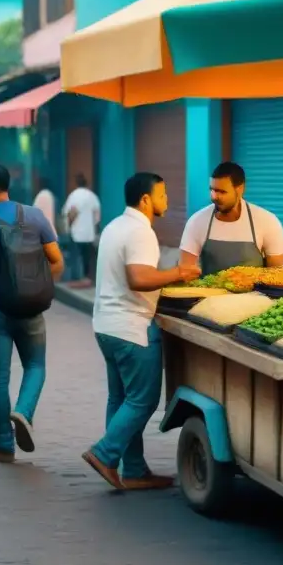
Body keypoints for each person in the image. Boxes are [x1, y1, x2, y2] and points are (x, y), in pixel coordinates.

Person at [83, 172, 201, 490]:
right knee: (142, 401)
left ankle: (134, 470)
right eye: (163, 195)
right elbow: (139, 278)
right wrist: (179, 272)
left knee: (120, 399)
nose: (167, 201)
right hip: (130, 327)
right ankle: (105, 454)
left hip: (106, 325)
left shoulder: (114, 226)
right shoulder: (140, 232)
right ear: (146, 199)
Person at [0, 163, 63, 463]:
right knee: (35, 366)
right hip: (32, 310)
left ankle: (5, 446)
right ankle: (24, 411)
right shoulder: (34, 215)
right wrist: (38, 289)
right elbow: (56, 261)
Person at [180, 162, 283, 276]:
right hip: (209, 293)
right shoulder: (197, 221)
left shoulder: (267, 221)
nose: (214, 197)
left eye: (222, 192)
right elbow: (185, 270)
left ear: (240, 189)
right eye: (212, 190)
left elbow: (277, 274)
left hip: (253, 294)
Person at [62, 174, 101, 286]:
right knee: (87, 257)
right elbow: (97, 216)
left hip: (76, 232)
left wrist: (68, 226)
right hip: (89, 233)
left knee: (76, 257)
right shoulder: (92, 196)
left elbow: (71, 213)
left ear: (76, 183)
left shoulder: (74, 196)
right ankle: (87, 278)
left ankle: (77, 279)